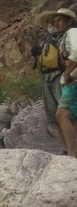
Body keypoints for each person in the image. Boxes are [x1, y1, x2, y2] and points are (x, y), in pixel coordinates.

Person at [39, 8, 77, 157]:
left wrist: (67, 73)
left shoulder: (71, 33)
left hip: (68, 79)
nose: (56, 24)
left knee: (63, 114)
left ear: (69, 21)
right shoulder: (58, 38)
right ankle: (69, 150)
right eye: (55, 22)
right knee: (63, 114)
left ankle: (71, 152)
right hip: (58, 78)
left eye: (59, 20)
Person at [33, 10, 66, 145]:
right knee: (54, 114)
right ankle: (65, 146)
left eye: (57, 21)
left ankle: (71, 145)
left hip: (60, 76)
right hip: (46, 78)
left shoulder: (66, 37)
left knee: (65, 111)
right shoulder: (47, 41)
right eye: (52, 22)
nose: (53, 24)